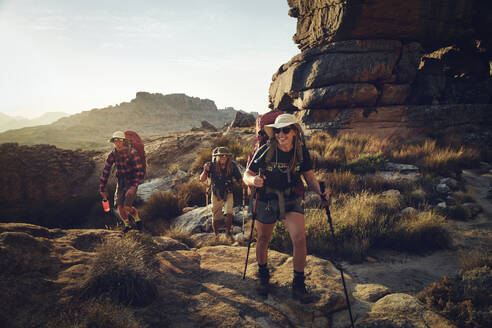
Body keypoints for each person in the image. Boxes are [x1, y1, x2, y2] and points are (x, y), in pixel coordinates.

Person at [243, 113, 329, 303]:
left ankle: (298, 284)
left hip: (290, 198)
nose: (281, 134)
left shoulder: (300, 152)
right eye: (277, 130)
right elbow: (246, 175)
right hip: (266, 199)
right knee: (264, 238)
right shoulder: (265, 150)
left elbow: (310, 179)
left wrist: (320, 191)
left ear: (295, 132)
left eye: (285, 130)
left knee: (299, 238)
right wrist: (253, 180)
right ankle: (263, 275)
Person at [100, 131, 145, 233]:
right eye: (115, 141)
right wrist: (102, 188)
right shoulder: (113, 154)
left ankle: (138, 220)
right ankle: (127, 225)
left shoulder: (132, 152)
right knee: (120, 207)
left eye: (119, 140)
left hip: (132, 181)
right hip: (121, 182)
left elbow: (139, 171)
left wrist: (133, 187)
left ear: (124, 141)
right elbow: (106, 171)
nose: (117, 143)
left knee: (127, 207)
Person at [200, 146, 242, 238]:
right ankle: (216, 236)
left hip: (228, 192)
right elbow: (202, 179)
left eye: (225, 156)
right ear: (217, 156)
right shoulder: (211, 165)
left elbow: (239, 178)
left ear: (228, 157)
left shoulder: (232, 166)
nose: (223, 157)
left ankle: (227, 233)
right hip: (216, 193)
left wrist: (245, 184)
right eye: (221, 156)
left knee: (229, 213)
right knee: (216, 216)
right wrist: (205, 170)